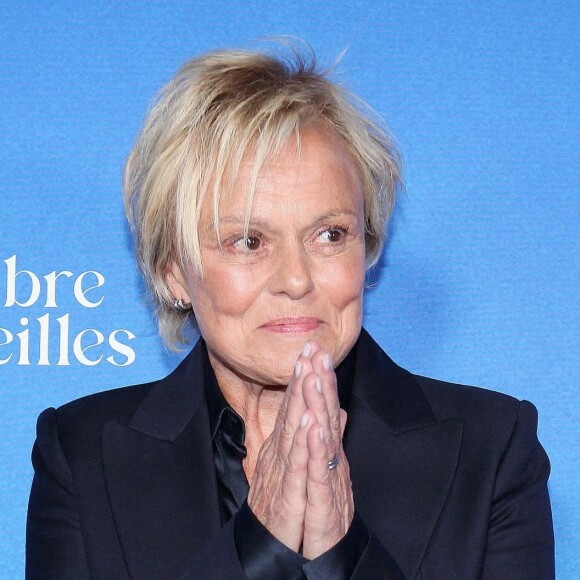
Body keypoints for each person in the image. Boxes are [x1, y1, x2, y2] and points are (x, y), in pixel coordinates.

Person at [26, 44, 554, 580]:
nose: (298, 280)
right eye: (249, 241)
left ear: (366, 247)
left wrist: (341, 555)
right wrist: (261, 542)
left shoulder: (491, 451)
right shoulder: (83, 455)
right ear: (172, 271)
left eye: (330, 235)